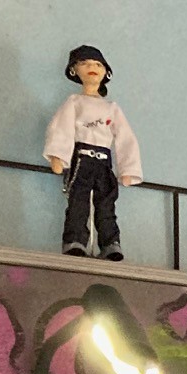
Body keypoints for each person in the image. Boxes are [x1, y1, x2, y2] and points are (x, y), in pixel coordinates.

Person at [46, 45, 142, 260]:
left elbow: (126, 137)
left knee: (106, 203)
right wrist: (58, 156)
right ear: (74, 70)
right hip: (81, 158)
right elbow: (61, 128)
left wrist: (128, 168)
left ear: (106, 72)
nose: (92, 67)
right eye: (85, 63)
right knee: (78, 201)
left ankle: (110, 242)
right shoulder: (74, 102)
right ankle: (75, 240)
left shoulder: (111, 108)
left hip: (104, 162)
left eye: (98, 64)